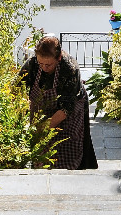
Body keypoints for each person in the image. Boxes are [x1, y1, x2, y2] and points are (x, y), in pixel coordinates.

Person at [19, 35, 98, 170]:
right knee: (41, 154)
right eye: (41, 63)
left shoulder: (69, 68)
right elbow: (17, 88)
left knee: (65, 145)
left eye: (48, 64)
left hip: (69, 112)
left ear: (59, 57)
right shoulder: (32, 64)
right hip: (42, 110)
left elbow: (65, 109)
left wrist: (41, 130)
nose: (44, 67)